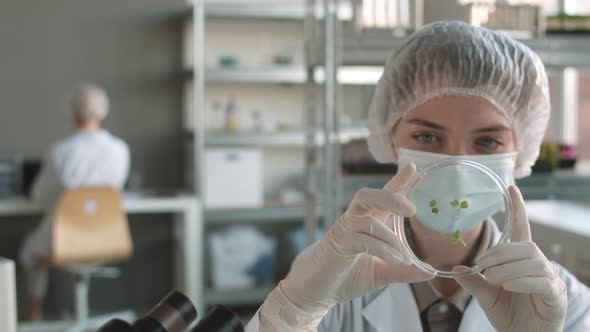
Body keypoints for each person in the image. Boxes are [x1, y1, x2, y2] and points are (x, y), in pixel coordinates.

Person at [245, 21, 590, 331]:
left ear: (520, 152)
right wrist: (295, 310)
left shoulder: (561, 304)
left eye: (487, 141)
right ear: (390, 140)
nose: (456, 163)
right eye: (428, 137)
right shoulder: (331, 278)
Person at [19, 83, 130, 320]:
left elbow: (39, 196)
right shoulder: (120, 149)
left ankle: (34, 310)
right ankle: (75, 312)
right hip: (107, 234)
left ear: (72, 113)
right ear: (104, 111)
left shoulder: (61, 151)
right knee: (68, 253)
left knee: (30, 251)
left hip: (66, 237)